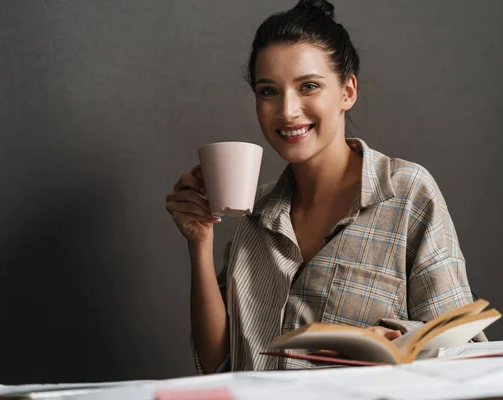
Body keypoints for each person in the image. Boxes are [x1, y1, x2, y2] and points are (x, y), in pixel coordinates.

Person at [166, 0, 484, 374]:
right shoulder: (255, 217)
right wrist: (199, 243)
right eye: (268, 91)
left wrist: (397, 342)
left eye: (309, 86)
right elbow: (218, 364)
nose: (287, 110)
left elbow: (462, 348)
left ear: (347, 92)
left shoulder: (406, 193)